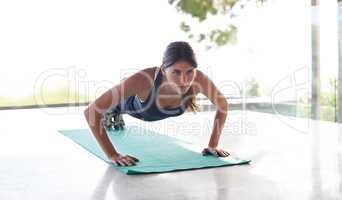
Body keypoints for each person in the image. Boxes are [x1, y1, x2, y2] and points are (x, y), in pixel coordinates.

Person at [84, 41, 230, 167]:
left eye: (190, 72)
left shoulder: (199, 80)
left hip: (146, 108)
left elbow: (223, 105)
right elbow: (91, 111)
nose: (184, 80)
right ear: (163, 70)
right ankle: (112, 113)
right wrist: (112, 155)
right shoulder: (144, 80)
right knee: (110, 107)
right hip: (126, 104)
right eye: (176, 72)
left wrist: (213, 145)